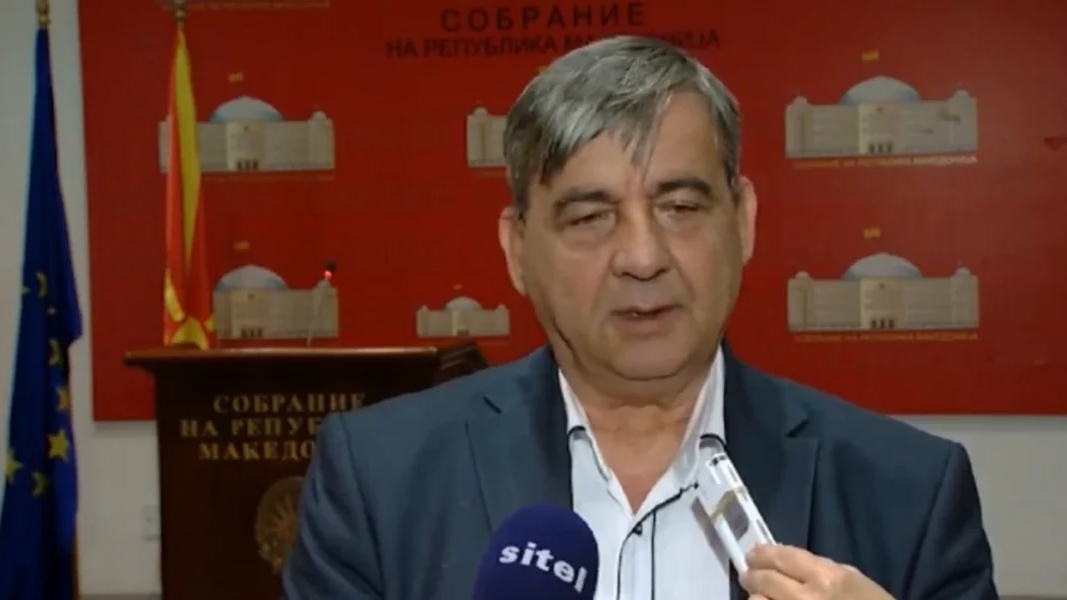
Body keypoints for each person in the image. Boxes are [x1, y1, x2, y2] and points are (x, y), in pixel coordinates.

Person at [282, 36, 998, 600]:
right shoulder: (380, 480)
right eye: (590, 218)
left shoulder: (909, 494)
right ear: (517, 250)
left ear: (743, 221)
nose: (643, 257)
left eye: (680, 207)